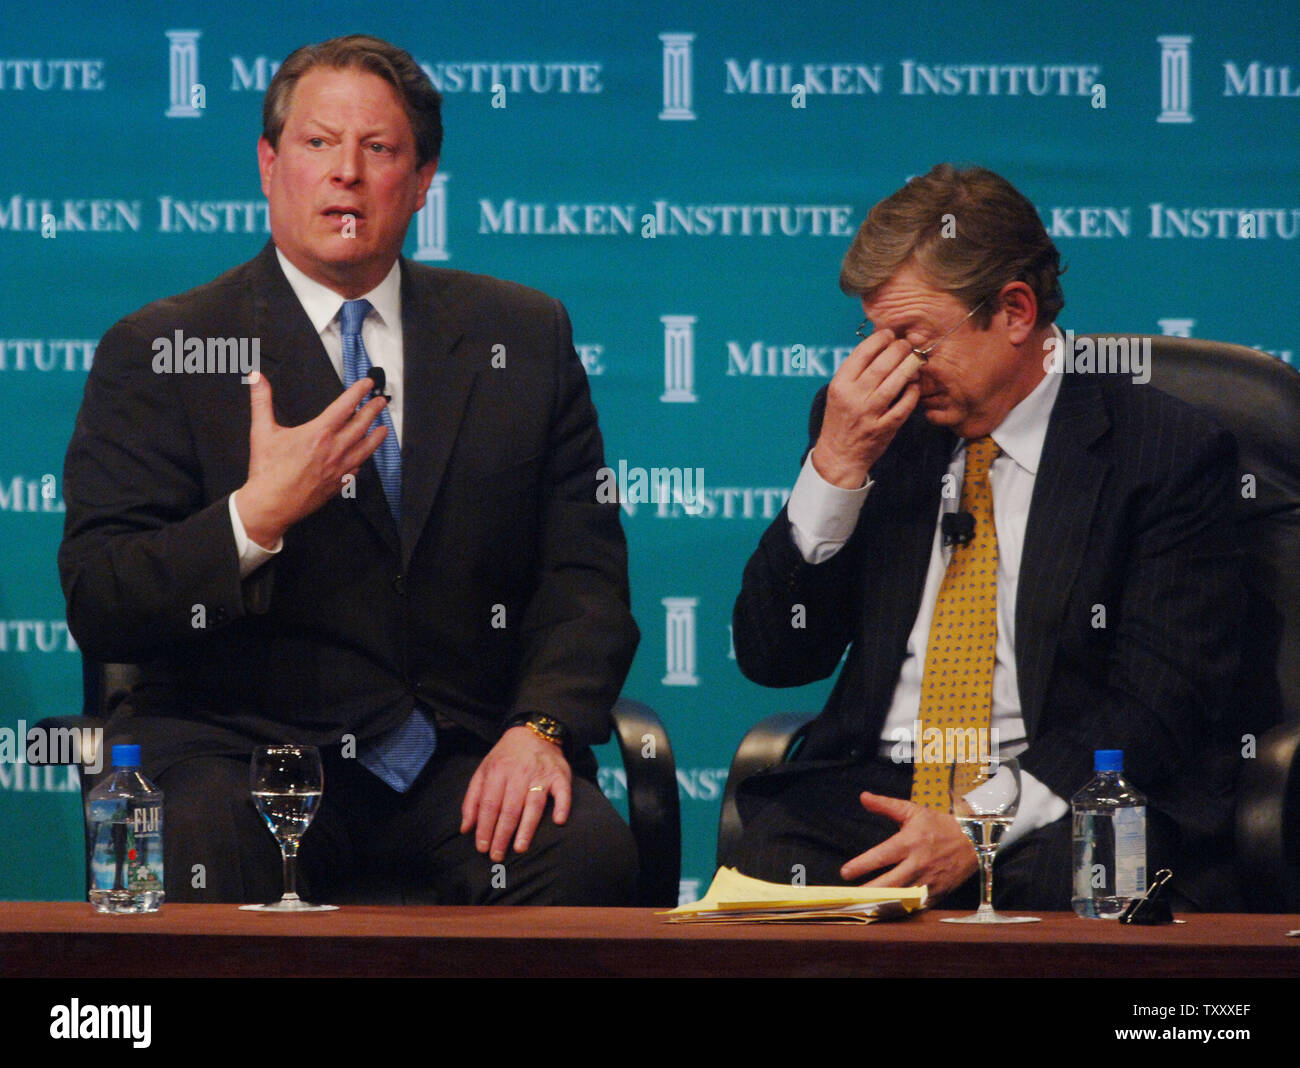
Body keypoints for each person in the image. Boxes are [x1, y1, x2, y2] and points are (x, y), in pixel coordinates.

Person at [58, 35, 639, 906]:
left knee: (582, 852)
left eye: (380, 149)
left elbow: (583, 577)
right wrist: (254, 518)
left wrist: (539, 728)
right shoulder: (162, 351)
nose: (347, 174)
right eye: (319, 144)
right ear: (268, 163)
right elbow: (103, 598)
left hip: (461, 757)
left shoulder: (521, 336)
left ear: (423, 179)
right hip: (243, 752)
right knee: (196, 848)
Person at [731, 164, 1245, 910]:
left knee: (1085, 882)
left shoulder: (1164, 451)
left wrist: (980, 821)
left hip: (1067, 791)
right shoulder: (875, 429)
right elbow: (775, 657)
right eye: (878, 338)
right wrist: (836, 469)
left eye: (916, 339)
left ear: (1013, 311)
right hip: (882, 790)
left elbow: (1161, 698)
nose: (894, 369)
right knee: (777, 855)